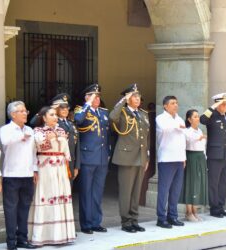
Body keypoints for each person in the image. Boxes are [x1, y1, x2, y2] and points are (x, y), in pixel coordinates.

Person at [28, 106, 75, 246]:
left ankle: (61, 235)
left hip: (60, 169)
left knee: (59, 198)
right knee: (46, 197)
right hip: (45, 168)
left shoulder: (61, 130)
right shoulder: (37, 131)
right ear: (44, 118)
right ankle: (42, 236)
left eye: (56, 115)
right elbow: (37, 149)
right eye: (52, 115)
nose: (55, 117)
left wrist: (55, 136)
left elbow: (66, 151)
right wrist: (34, 170)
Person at [109, 83, 150, 233]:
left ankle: (134, 219)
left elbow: (147, 137)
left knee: (136, 191)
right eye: (134, 96)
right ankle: (125, 221)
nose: (137, 99)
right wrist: (122, 101)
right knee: (126, 191)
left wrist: (147, 156)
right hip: (126, 157)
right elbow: (112, 117)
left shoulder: (143, 114)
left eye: (138, 96)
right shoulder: (123, 112)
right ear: (127, 99)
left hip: (140, 157)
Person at [0, 101, 38, 250]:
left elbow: (34, 152)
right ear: (13, 114)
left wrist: (35, 170)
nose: (25, 113)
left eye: (25, 111)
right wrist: (21, 136)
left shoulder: (30, 129)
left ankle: (22, 239)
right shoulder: (6, 129)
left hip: (27, 175)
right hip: (12, 175)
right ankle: (11, 242)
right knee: (11, 210)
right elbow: (5, 141)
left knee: (24, 209)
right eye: (21, 111)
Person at [74, 83, 110, 234]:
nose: (97, 99)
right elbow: (78, 120)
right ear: (87, 97)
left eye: (98, 96)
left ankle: (96, 222)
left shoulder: (103, 112)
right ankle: (86, 224)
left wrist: (108, 152)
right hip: (88, 157)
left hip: (101, 157)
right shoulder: (81, 110)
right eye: (94, 96)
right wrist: (87, 104)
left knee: (97, 192)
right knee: (86, 192)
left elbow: (107, 135)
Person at [200, 93, 226, 218]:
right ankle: (214, 208)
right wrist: (214, 106)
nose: (225, 106)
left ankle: (221, 206)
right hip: (215, 155)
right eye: (222, 103)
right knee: (213, 182)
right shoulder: (212, 116)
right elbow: (202, 119)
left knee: (223, 182)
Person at [155, 96, 186, 229]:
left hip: (179, 158)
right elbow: (165, 128)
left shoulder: (179, 118)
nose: (176, 105)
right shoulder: (161, 118)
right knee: (164, 189)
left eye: (177, 103)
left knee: (176, 190)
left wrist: (184, 157)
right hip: (166, 159)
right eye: (172, 103)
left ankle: (172, 216)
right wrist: (177, 125)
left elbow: (183, 139)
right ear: (165, 106)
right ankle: (161, 218)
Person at [180, 109, 208, 222]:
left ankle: (195, 211)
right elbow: (187, 143)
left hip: (200, 158)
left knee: (198, 184)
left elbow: (203, 148)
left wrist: (204, 159)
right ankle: (188, 212)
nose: (197, 118)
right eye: (195, 116)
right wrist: (198, 139)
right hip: (191, 157)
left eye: (198, 116)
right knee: (190, 184)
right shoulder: (186, 131)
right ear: (189, 119)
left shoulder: (200, 130)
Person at [50, 93, 80, 183]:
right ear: (56, 108)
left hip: (71, 162)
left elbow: (77, 145)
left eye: (67, 107)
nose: (65, 110)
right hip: (57, 162)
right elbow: (33, 122)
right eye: (62, 107)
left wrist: (76, 166)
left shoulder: (71, 124)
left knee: (68, 191)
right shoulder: (52, 123)